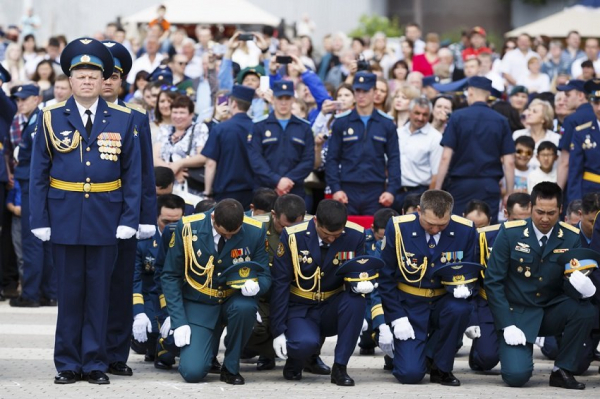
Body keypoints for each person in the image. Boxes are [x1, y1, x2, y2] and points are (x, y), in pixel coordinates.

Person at [29, 37, 141, 385]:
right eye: (81, 74)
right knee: (70, 293)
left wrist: (129, 219)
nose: (88, 80)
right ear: (70, 80)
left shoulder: (122, 119)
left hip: (106, 218)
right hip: (64, 217)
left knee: (99, 294)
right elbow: (38, 173)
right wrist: (40, 220)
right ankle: (67, 362)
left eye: (94, 74)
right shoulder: (50, 116)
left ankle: (94, 363)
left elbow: (133, 174)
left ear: (103, 78)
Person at [485, 182, 596, 389]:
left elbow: (569, 285)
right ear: (531, 208)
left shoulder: (570, 237)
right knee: (516, 376)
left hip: (551, 310)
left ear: (561, 210)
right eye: (539, 212)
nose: (545, 218)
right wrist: (507, 323)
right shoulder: (510, 233)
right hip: (517, 314)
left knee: (585, 309)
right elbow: (493, 282)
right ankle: (516, 352)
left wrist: (584, 290)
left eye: (551, 213)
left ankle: (561, 370)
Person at [161, 199, 270, 384]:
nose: (228, 238)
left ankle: (231, 367)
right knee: (192, 372)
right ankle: (203, 352)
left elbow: (265, 275)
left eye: (233, 234)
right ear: (213, 217)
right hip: (199, 302)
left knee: (246, 308)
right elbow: (170, 276)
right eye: (223, 233)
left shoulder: (255, 230)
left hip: (232, 300)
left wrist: (257, 286)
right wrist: (178, 320)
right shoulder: (188, 227)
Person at [378, 190, 477, 386]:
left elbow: (470, 270)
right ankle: (405, 354)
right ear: (418, 211)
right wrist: (396, 317)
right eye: (430, 224)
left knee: (460, 308)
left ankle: (442, 368)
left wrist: (465, 286)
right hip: (410, 305)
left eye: (442, 224)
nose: (435, 230)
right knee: (410, 375)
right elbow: (386, 277)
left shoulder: (465, 229)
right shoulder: (398, 227)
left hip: (444, 300)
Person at [101, 39, 158, 378]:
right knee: (91, 287)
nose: (107, 81)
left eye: (114, 75)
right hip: (92, 213)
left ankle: (115, 354)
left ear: (123, 81)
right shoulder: (80, 114)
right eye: (101, 74)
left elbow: (146, 173)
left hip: (125, 214)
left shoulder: (136, 118)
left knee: (121, 286)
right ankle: (88, 350)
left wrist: (145, 218)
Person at [270, 199, 371, 386]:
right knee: (303, 344)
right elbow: (280, 284)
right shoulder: (293, 236)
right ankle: (297, 358)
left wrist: (361, 284)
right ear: (315, 221)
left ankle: (340, 368)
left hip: (332, 304)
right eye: (326, 235)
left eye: (337, 235)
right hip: (301, 306)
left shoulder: (355, 235)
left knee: (357, 301)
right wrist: (278, 331)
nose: (332, 239)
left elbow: (356, 272)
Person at [436, 76, 515, 222]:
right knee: (488, 231)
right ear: (488, 94)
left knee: (458, 230)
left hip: (460, 184)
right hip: (489, 184)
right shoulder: (500, 121)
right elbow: (509, 162)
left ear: (470, 91)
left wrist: (437, 189)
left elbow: (446, 157)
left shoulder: (457, 117)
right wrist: (509, 192)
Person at [468, 192, 531, 373]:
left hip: (522, 304)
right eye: (517, 220)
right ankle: (480, 350)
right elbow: (471, 279)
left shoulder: (540, 237)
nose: (522, 225)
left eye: (527, 220)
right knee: (486, 359)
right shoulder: (484, 237)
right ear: (506, 213)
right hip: (489, 303)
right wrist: (472, 318)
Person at [244, 194, 308, 371]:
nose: (289, 233)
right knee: (251, 327)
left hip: (297, 296)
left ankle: (311, 357)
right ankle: (266, 351)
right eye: (284, 227)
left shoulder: (311, 229)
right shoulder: (255, 228)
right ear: (273, 214)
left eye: (294, 227)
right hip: (264, 296)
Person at [325, 71, 400, 215]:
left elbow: (394, 159)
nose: (361, 95)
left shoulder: (386, 123)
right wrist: (336, 188)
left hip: (376, 190)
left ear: (374, 92)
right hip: (347, 190)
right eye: (357, 90)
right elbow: (332, 158)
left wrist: (391, 190)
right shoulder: (341, 122)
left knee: (374, 234)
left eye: (365, 91)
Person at [9, 84, 55, 308]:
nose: (20, 103)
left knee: (32, 241)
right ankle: (47, 292)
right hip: (34, 184)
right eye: (18, 100)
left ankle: (31, 294)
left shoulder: (36, 121)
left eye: (25, 99)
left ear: (37, 99)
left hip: (32, 184)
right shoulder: (34, 120)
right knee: (42, 241)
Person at [132, 194, 185, 367]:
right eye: (165, 222)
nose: (171, 227)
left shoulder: (190, 237)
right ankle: (147, 345)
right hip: (150, 296)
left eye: (176, 222)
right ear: (156, 218)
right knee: (148, 332)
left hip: (178, 295)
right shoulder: (143, 240)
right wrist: (138, 313)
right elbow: (135, 279)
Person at [250, 81, 314, 198]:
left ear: (293, 100)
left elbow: (308, 160)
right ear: (273, 99)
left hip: (294, 189)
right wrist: (277, 180)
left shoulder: (304, 127)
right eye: (280, 98)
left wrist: (288, 180)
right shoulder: (260, 126)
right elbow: (256, 159)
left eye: (287, 98)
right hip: (265, 190)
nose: (283, 103)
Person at [202, 85, 256, 208]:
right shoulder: (257, 127)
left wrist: (207, 192)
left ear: (234, 104)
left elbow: (210, 164)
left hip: (225, 191)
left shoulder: (220, 128)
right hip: (251, 191)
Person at [394, 96, 442, 212]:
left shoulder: (435, 137)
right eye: (417, 113)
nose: (420, 118)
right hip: (395, 191)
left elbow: (436, 175)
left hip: (419, 193)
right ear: (409, 112)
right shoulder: (398, 133)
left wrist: (428, 201)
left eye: (425, 114)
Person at [153, 95, 208, 194]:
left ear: (191, 114)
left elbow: (202, 156)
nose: (178, 116)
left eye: (182, 112)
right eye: (175, 112)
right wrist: (171, 172)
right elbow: (155, 157)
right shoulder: (164, 129)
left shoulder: (199, 128)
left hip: (189, 186)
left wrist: (179, 164)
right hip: (165, 187)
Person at [556, 80, 596, 197]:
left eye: (568, 95)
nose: (564, 99)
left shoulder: (573, 119)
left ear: (581, 95)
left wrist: (557, 193)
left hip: (580, 186)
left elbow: (565, 162)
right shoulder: (595, 116)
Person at [566, 80, 600, 203]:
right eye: (596, 102)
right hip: (590, 193)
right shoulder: (581, 132)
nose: (599, 108)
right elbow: (575, 171)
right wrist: (575, 202)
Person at [513, 99, 561, 170]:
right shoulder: (518, 134)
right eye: (529, 110)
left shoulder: (555, 138)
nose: (529, 113)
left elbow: (558, 165)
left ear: (544, 119)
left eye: (534, 111)